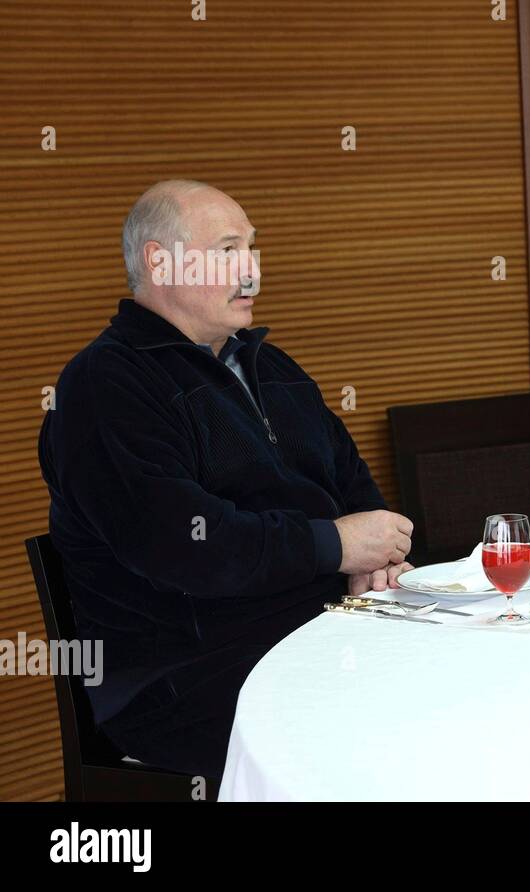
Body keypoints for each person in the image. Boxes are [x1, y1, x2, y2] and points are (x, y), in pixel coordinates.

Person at [38, 180, 415, 781]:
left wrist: (380, 555)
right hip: (184, 676)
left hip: (315, 630)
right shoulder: (102, 387)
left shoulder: (272, 365)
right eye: (228, 250)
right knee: (389, 736)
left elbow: (351, 483)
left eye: (253, 249)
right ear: (159, 262)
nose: (253, 272)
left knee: (462, 680)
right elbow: (185, 546)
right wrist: (336, 545)